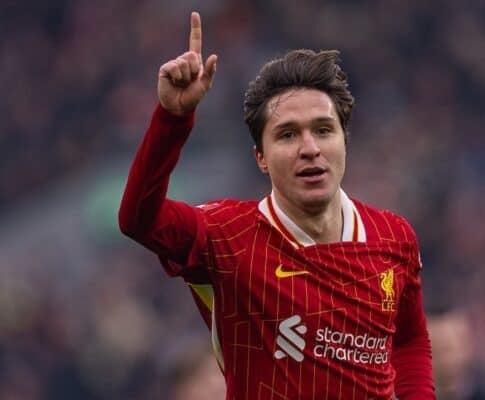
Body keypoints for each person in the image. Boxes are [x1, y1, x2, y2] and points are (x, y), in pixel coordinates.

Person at [119, 11, 435, 400]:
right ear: (261, 158)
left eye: (323, 130)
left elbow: (408, 341)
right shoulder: (226, 235)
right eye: (288, 135)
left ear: (343, 141)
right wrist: (172, 119)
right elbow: (137, 219)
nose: (310, 148)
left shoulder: (394, 237)